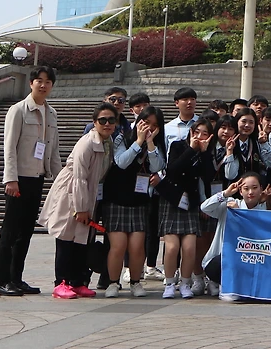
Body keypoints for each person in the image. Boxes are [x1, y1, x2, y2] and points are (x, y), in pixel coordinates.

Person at [38, 102, 117, 299]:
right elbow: (80, 177)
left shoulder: (109, 142)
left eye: (111, 120)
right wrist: (81, 208)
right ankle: (61, 282)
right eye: (102, 120)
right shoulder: (87, 143)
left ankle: (78, 281)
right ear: (94, 122)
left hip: (89, 192)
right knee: (66, 238)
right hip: (71, 192)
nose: (107, 124)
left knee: (83, 240)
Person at [0, 65, 60, 297]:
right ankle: (2, 280)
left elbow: (53, 149)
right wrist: (10, 178)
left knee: (26, 231)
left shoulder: (51, 113)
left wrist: (59, 178)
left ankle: (16, 278)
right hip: (18, 180)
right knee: (11, 230)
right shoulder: (18, 110)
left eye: (48, 82)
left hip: (36, 178)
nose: (43, 85)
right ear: (31, 83)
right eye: (39, 80)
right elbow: (9, 146)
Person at [102, 104, 165, 298]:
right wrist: (138, 141)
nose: (149, 128)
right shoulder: (123, 137)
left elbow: (158, 166)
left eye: (154, 125)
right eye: (146, 123)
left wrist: (151, 143)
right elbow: (121, 162)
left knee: (137, 246)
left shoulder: (158, 144)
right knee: (118, 245)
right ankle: (113, 282)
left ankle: (136, 282)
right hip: (117, 198)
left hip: (140, 200)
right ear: (138, 121)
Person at [157, 118, 217, 299]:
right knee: (172, 247)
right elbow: (173, 169)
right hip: (173, 200)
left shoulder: (206, 153)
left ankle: (185, 283)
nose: (200, 136)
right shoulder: (178, 146)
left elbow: (208, 177)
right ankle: (169, 283)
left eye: (205, 133)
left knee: (190, 247)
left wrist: (204, 153)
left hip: (190, 203)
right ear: (191, 132)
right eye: (197, 131)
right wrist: (191, 148)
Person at [201, 171, 268, 301]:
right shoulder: (230, 204)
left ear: (261, 189)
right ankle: (222, 283)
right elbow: (205, 208)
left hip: (249, 261)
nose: (250, 192)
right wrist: (226, 193)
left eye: (255, 188)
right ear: (240, 191)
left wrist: (240, 213)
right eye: (246, 188)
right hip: (219, 263)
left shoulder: (263, 212)